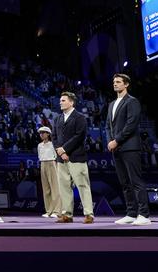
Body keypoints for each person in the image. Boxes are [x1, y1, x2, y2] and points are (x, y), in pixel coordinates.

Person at [107, 74, 150, 225]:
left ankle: (144, 214)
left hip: (130, 147)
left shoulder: (132, 101)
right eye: (114, 82)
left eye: (118, 82)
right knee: (124, 183)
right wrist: (110, 141)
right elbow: (108, 126)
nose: (115, 84)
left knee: (135, 181)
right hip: (116, 148)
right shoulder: (112, 104)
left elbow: (131, 124)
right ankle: (131, 213)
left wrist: (116, 140)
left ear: (126, 84)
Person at [54, 92, 94, 223]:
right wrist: (61, 152)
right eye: (60, 100)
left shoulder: (80, 117)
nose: (60, 102)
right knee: (64, 187)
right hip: (61, 159)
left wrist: (64, 149)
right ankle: (67, 214)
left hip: (76, 157)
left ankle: (89, 214)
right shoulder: (58, 118)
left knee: (82, 186)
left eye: (63, 100)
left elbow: (79, 136)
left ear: (71, 102)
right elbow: (54, 137)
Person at [36, 126, 60, 218]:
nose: (41, 134)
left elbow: (56, 156)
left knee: (55, 188)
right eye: (40, 133)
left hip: (52, 163)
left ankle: (57, 211)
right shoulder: (39, 145)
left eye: (43, 133)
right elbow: (39, 156)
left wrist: (55, 165)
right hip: (43, 164)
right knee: (46, 189)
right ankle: (49, 211)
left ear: (48, 134)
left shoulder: (52, 144)